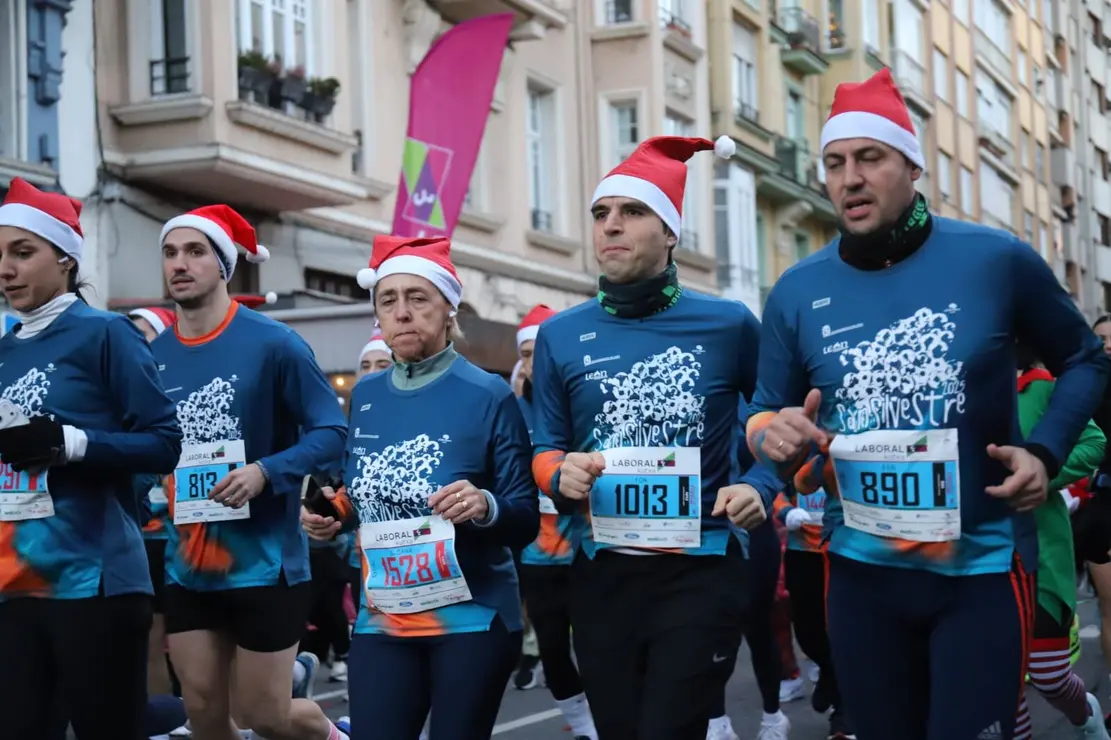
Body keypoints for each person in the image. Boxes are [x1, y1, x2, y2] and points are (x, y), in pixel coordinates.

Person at [747, 68, 1109, 739]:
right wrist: (771, 432)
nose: (848, 178)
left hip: (980, 570)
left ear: (910, 165)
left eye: (869, 158)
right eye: (833, 163)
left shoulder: (993, 259)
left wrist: (1043, 451)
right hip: (859, 577)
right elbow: (763, 410)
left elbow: (1084, 359)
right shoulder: (796, 291)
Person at [530, 134, 780, 740]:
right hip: (601, 575)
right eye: (600, 213)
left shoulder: (728, 324)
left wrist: (761, 485)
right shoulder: (560, 336)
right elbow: (545, 448)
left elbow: (775, 419)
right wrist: (560, 475)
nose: (611, 225)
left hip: (699, 572)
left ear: (669, 232)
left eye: (632, 211)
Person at [302, 235, 539, 740]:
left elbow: (523, 517)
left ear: (448, 309)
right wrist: (334, 513)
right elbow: (359, 491)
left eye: (418, 298)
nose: (402, 313)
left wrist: (484, 504)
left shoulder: (489, 394)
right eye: (389, 300)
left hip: (471, 621)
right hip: (383, 619)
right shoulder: (365, 394)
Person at [153, 205, 349, 740]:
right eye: (170, 253)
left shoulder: (273, 343)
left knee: (265, 716)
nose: (180, 264)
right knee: (205, 717)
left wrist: (266, 472)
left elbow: (332, 431)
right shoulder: (155, 355)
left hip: (264, 565)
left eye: (195, 252)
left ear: (223, 264)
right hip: (187, 563)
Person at [0, 177, 183, 738]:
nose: (5, 268)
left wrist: (71, 443)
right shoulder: (5, 350)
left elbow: (163, 442)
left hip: (94, 582)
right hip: (12, 584)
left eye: (22, 252)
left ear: (65, 259)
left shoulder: (105, 334)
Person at [1012, 347, 1108, 739]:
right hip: (976, 558)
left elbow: (1093, 443)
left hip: (1039, 556)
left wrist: (1040, 472)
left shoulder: (1042, 389)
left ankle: (1086, 714)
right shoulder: (952, 394)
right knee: (1004, 681)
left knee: (1050, 676)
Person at [514, 304, 598, 739]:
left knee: (596, 647)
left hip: (589, 547)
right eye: (528, 353)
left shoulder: (583, 397)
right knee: (551, 648)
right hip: (537, 553)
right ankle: (586, 727)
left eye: (542, 351)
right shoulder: (513, 409)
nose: (536, 361)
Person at [708, 404, 790, 740]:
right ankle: (716, 722)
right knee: (708, 631)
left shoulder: (752, 403)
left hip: (753, 530)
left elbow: (777, 460)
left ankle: (773, 716)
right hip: (707, 534)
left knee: (757, 627)